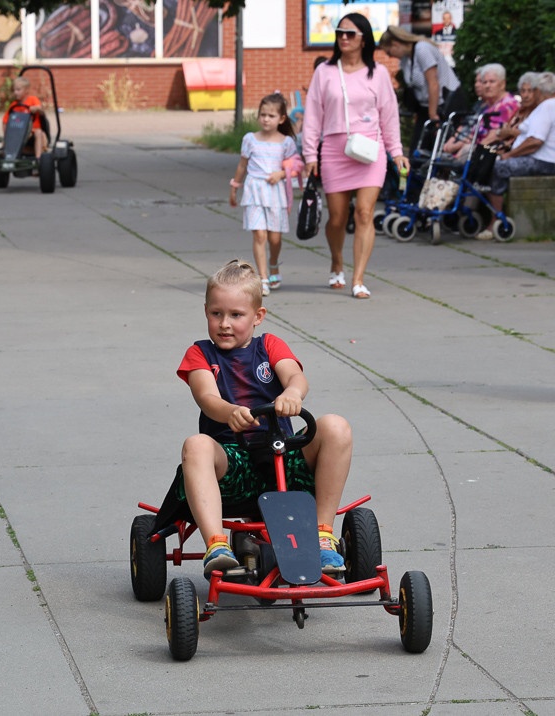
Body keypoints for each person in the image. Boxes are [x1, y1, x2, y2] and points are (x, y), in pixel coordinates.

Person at [178, 260, 353, 577]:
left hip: (281, 456)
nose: (224, 324)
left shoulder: (269, 345)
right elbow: (206, 397)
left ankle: (323, 534)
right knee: (197, 445)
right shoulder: (200, 353)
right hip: (233, 463)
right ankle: (217, 544)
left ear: (257, 316)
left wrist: (292, 395)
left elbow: (296, 377)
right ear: (206, 312)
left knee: (335, 426)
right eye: (216, 314)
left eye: (236, 315)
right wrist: (229, 411)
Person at [302, 14, 408, 299]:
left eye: (350, 33)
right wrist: (310, 153)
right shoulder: (325, 71)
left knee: (364, 213)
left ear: (364, 38)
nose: (344, 38)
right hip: (336, 151)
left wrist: (396, 152)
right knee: (338, 218)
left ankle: (358, 278)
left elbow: (389, 115)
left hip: (370, 150)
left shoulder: (379, 72)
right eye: (340, 33)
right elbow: (313, 115)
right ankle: (337, 261)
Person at [229, 93, 299, 296]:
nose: (266, 119)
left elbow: (296, 168)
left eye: (271, 115)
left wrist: (281, 174)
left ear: (282, 119)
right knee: (259, 234)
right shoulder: (250, 139)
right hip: (254, 191)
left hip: (275, 193)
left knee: (274, 239)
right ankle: (263, 278)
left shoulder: (286, 142)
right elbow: (242, 165)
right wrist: (235, 187)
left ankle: (274, 263)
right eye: (262, 114)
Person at [476, 72, 555, 240]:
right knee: (491, 161)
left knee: (498, 167)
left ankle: (495, 220)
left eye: (533, 90)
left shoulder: (548, 106)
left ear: (539, 90)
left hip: (544, 161)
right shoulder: (546, 106)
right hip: (542, 159)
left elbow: (535, 141)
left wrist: (510, 155)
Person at [379, 25, 467, 153]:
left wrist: (433, 116)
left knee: (439, 149)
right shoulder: (405, 59)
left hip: (445, 105)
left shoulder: (422, 49)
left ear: (395, 44)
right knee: (418, 149)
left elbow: (433, 83)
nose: (390, 56)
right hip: (426, 108)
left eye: (388, 52)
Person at [442, 64, 518, 159]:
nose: (487, 86)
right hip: (474, 149)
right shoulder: (490, 106)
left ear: (503, 84)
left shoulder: (507, 105)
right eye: (484, 82)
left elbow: (494, 136)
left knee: (450, 159)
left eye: (492, 81)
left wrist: (464, 153)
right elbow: (474, 134)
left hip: (489, 151)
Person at [2, 76, 45, 159]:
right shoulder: (13, 105)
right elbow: (5, 121)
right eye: (14, 90)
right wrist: (5, 137)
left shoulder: (33, 100)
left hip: (32, 131)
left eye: (18, 90)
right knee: (10, 136)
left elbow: (42, 111)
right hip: (17, 131)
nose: (15, 92)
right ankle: (8, 156)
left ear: (26, 90)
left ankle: (38, 159)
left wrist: (36, 108)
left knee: (38, 132)